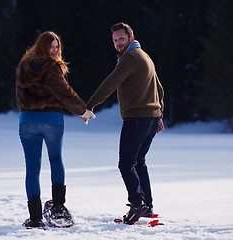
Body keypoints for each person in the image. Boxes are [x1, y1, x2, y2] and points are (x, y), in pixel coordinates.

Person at [85, 22, 165, 225]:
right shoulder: (143, 55)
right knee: (139, 162)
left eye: (121, 38)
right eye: (114, 40)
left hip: (137, 118)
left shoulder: (131, 57)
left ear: (130, 37)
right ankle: (147, 206)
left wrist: (90, 105)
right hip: (150, 117)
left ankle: (138, 203)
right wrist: (159, 114)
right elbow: (159, 88)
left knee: (126, 163)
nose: (118, 43)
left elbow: (110, 83)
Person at [16, 31, 95, 228]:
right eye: (51, 46)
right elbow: (65, 92)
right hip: (52, 120)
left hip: (27, 121)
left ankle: (35, 218)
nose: (54, 50)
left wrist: (28, 111)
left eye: (56, 47)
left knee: (32, 168)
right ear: (41, 46)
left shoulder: (23, 65)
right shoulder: (52, 67)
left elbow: (19, 94)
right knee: (55, 159)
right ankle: (58, 207)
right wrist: (83, 111)